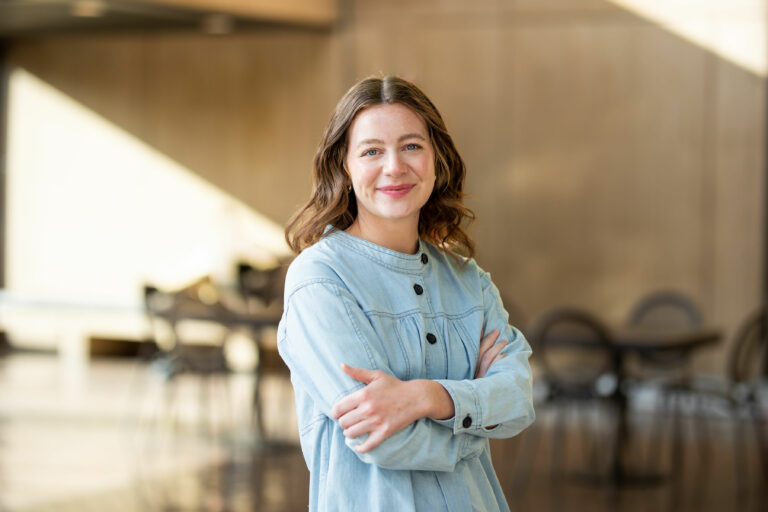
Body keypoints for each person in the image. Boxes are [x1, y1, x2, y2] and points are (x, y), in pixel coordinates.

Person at [277, 76, 534, 512]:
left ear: (437, 159)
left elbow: (518, 398)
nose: (394, 166)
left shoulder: (469, 280)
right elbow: (381, 440)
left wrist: (427, 397)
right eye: (372, 150)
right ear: (345, 165)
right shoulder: (319, 280)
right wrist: (476, 415)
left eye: (411, 146)